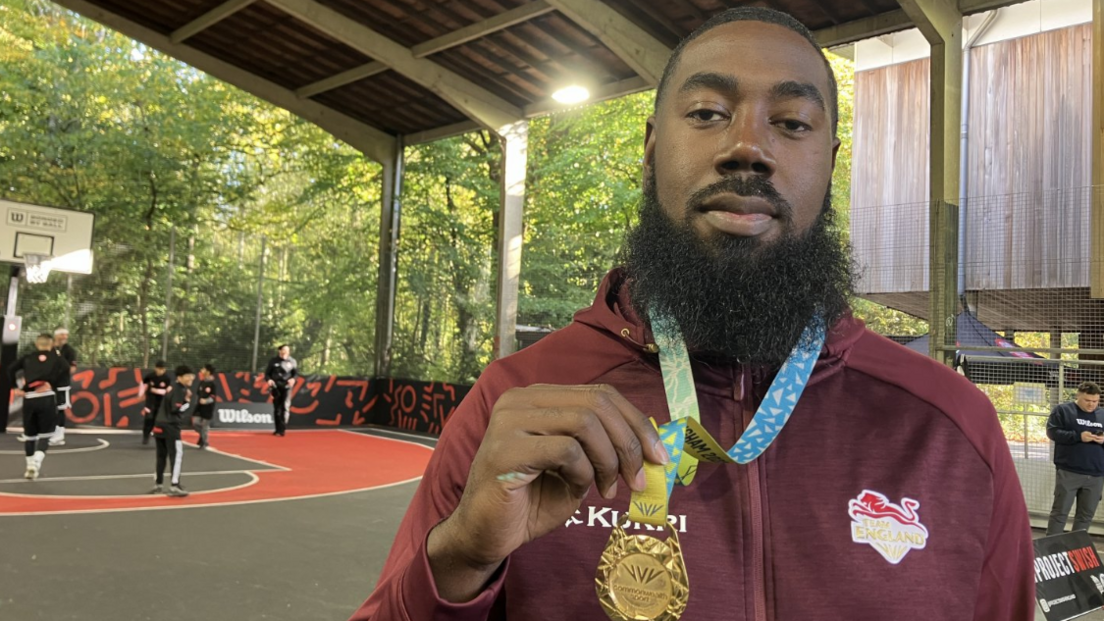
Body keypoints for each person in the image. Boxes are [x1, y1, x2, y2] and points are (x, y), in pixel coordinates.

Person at [350, 8, 1033, 621]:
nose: (748, 147)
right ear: (651, 149)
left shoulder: (951, 428)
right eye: (708, 113)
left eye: (791, 123)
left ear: (830, 163)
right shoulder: (517, 403)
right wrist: (462, 561)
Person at [1045, 381, 1104, 535]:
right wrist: (1078, 436)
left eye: (1095, 401)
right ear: (1078, 395)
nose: (1091, 405)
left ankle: (1077, 550)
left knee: (1085, 516)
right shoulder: (1063, 410)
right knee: (1060, 513)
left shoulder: (1102, 414)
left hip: (1096, 474)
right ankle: (1052, 548)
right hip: (1069, 470)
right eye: (1087, 401)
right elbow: (1052, 432)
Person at [8, 334, 68, 479]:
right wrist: (53, 384)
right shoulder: (58, 359)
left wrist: (15, 388)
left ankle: (29, 465)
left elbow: (10, 369)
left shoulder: (28, 358)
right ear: (51, 344)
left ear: (36, 344)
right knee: (45, 435)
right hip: (46, 398)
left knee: (30, 436)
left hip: (29, 399)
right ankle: (37, 461)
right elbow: (66, 371)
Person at [151, 365, 195, 497]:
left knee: (161, 456)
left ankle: (158, 484)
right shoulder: (180, 390)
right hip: (170, 426)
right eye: (188, 376)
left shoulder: (171, 387)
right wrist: (187, 402)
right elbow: (176, 409)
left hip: (159, 423)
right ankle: (174, 485)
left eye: (191, 375)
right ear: (180, 377)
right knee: (176, 456)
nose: (190, 378)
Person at [50, 327, 77, 446]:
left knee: (60, 408)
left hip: (62, 384)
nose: (64, 337)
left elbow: (71, 368)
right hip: (48, 384)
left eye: (66, 335)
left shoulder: (70, 351)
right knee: (48, 408)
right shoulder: (49, 348)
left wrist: (61, 371)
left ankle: (59, 434)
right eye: (62, 335)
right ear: (56, 336)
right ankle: (47, 431)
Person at [264, 344, 298, 437]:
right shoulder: (273, 361)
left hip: (287, 387)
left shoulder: (292, 361)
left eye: (287, 350)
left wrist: (293, 379)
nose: (285, 352)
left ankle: (282, 429)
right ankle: (277, 429)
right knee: (277, 408)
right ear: (280, 351)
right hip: (276, 387)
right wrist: (269, 380)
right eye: (283, 350)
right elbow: (267, 374)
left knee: (285, 407)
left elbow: (295, 374)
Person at [138, 361, 172, 445]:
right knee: (148, 419)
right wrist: (140, 393)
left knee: (158, 420)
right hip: (150, 402)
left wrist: (157, 390)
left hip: (161, 402)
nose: (161, 370)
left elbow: (168, 390)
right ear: (156, 368)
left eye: (162, 369)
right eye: (159, 368)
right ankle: (146, 435)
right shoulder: (150, 376)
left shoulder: (166, 378)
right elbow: (142, 383)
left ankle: (159, 435)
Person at [192, 364, 217, 450]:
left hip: (208, 408)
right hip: (199, 407)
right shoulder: (202, 382)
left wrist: (206, 401)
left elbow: (213, 397)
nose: (201, 370)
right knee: (195, 422)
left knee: (205, 426)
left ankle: (204, 442)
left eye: (203, 369)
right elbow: (198, 394)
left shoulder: (213, 384)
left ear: (208, 372)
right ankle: (202, 435)